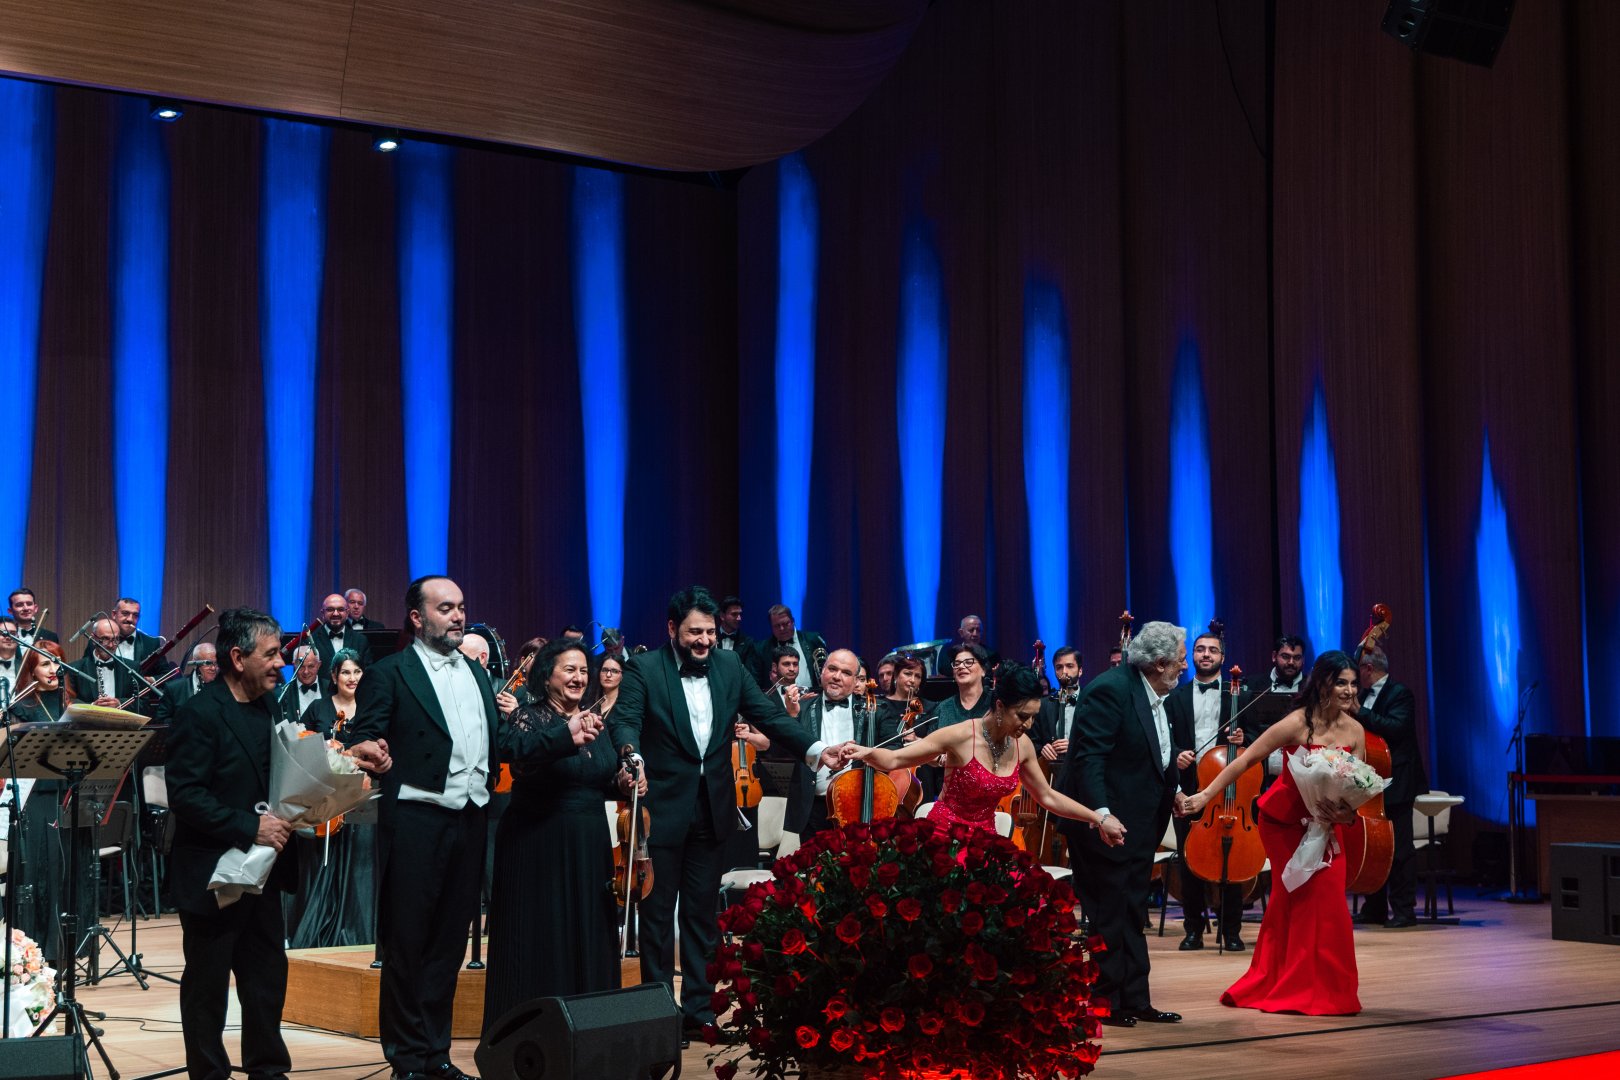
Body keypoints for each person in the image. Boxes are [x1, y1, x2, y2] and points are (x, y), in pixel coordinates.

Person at [610, 586, 843, 1039]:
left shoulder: (730, 665)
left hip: (713, 810)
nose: (704, 641)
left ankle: (698, 1010)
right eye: (695, 632)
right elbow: (626, 721)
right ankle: (660, 1014)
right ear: (672, 628)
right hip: (660, 810)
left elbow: (768, 717)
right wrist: (630, 755)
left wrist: (816, 749)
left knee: (701, 916)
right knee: (657, 918)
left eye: (710, 632)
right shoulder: (644, 669)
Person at [344, 575, 491, 1080]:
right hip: (416, 820)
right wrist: (370, 750)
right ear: (417, 617)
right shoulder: (390, 673)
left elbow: (500, 747)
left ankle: (436, 1052)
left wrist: (564, 735)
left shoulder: (475, 672)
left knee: (450, 942)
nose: (457, 616)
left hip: (470, 819)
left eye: (461, 606)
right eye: (446, 607)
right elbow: (366, 734)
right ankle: (406, 1059)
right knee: (408, 943)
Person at [1178, 651, 1367, 1016]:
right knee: (1294, 900)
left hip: (1327, 825)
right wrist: (1204, 795)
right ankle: (1288, 984)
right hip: (1283, 824)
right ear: (1323, 682)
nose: (1348, 689)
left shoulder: (1355, 730)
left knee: (1330, 906)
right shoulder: (1297, 722)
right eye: (1341, 682)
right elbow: (1245, 760)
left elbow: (1359, 785)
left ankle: (1330, 989)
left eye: (1353, 683)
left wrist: (1346, 813)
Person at [167, 607, 299, 1080]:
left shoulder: (270, 706)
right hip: (213, 873)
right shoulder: (199, 713)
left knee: (266, 978)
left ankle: (268, 1069)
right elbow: (186, 796)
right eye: (271, 653)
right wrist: (250, 827)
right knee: (207, 986)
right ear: (238, 657)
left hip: (263, 870)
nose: (281, 661)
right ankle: (209, 1074)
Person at [482, 639, 637, 1027]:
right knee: (542, 936)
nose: (579, 678)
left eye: (584, 671)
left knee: (587, 934)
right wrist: (566, 737)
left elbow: (593, 779)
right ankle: (536, 1030)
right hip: (538, 843)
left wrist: (622, 781)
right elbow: (517, 754)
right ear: (547, 676)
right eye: (569, 670)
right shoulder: (528, 718)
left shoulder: (595, 721)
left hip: (588, 844)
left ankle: (588, 1030)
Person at [1056, 620, 1188, 1027]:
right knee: (1109, 911)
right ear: (1160, 663)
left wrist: (1176, 790)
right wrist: (1101, 814)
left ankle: (1134, 1000)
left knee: (1131, 910)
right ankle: (1104, 1003)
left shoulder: (1152, 692)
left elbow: (1156, 753)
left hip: (1138, 821)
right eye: (1180, 662)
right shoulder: (1111, 689)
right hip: (1104, 823)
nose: (1183, 668)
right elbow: (1089, 759)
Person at [849, 662, 1119, 840]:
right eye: (1022, 716)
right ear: (1000, 706)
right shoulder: (961, 734)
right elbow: (896, 758)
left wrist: (1099, 817)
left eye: (1034, 717)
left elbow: (1047, 796)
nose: (1028, 725)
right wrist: (863, 752)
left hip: (986, 840)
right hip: (945, 839)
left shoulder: (1022, 743)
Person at [1166, 628, 1251, 952]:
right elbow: (1163, 738)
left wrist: (1245, 739)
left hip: (1230, 794)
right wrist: (1176, 753)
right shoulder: (1175, 697)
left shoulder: (1239, 696)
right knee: (1190, 863)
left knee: (1233, 862)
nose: (1205, 655)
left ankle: (1231, 930)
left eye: (1212, 650)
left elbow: (1259, 738)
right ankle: (1193, 930)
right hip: (1187, 790)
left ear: (1222, 657)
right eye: (1200, 649)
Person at [290, 649, 378, 949]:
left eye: (357, 672)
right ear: (334, 676)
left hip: (364, 796)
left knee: (362, 865)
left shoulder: (372, 707)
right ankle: (321, 925)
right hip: (328, 800)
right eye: (346, 672)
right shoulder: (318, 708)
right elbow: (301, 749)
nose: (352, 678)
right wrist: (326, 748)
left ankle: (356, 927)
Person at [6, 641, 87, 965]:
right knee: (36, 875)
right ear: (31, 670)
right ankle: (30, 952)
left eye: (57, 662)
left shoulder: (72, 704)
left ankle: (60, 951)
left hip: (66, 797)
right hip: (33, 800)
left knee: (62, 873)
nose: (53, 669)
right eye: (44, 664)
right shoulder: (21, 708)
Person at [786, 649, 900, 839]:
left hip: (858, 805)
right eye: (832, 669)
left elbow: (895, 750)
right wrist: (791, 717)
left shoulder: (877, 711)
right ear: (822, 671)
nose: (837, 677)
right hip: (812, 808)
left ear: (856, 681)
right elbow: (784, 749)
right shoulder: (800, 707)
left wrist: (867, 753)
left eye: (846, 673)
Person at [1352, 644, 1424, 929]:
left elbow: (1395, 727)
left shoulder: (1400, 693)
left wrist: (1359, 711)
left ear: (1368, 668)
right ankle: (1375, 907)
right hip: (1371, 780)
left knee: (1400, 849)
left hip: (1398, 782)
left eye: (1357, 670)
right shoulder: (1362, 695)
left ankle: (1405, 910)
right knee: (1374, 847)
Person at [916, 641, 992, 801]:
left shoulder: (996, 704)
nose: (961, 666)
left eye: (969, 662)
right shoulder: (943, 708)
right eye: (956, 663)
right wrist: (939, 758)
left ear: (983, 670)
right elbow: (930, 751)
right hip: (950, 792)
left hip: (989, 789)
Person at [1033, 646, 1083, 766]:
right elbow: (1032, 742)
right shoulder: (1043, 705)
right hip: (1050, 774)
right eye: (1059, 667)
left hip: (1082, 772)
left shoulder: (1091, 702)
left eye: (1070, 666)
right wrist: (1042, 750)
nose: (1064, 672)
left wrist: (1074, 747)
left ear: (1080, 670)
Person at [155, 642, 220, 724]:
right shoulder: (174, 688)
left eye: (216, 663)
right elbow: (160, 721)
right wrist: (184, 723)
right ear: (195, 663)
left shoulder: (224, 688)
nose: (213, 668)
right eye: (208, 663)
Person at [765, 604, 826, 689]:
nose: (782, 628)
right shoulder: (762, 649)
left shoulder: (813, 639)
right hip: (778, 700)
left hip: (812, 697)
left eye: (785, 624)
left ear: (793, 621)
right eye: (777, 626)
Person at [312, 593, 373, 672]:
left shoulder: (361, 641)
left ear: (347, 613)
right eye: (330, 609)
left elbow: (367, 673)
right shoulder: (311, 639)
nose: (336, 614)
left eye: (340, 609)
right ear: (322, 613)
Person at [715, 595, 765, 686]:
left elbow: (748, 674)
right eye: (734, 614)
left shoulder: (748, 642)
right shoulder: (710, 638)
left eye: (740, 614)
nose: (739, 618)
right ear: (722, 616)